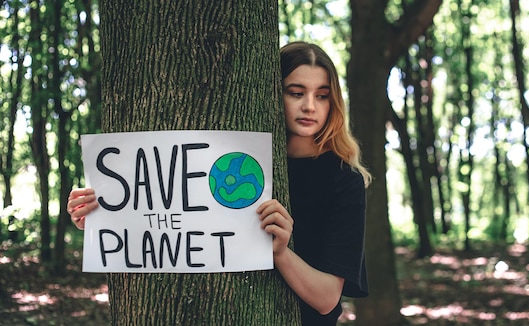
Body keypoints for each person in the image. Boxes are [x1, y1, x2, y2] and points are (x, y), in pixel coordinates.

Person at [68, 41, 371, 325]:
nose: (309, 106)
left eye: (321, 95)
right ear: (272, 92)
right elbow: (176, 217)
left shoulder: (344, 179)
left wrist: (279, 252)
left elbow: (327, 298)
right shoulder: (232, 162)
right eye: (295, 92)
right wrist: (106, 216)